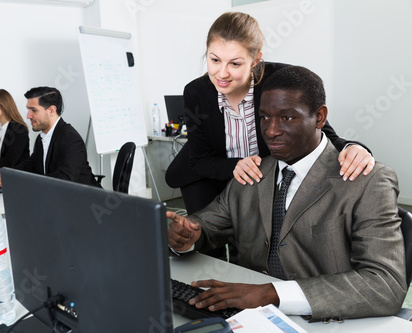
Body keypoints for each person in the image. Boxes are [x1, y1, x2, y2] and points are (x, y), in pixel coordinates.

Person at [167, 66, 407, 321]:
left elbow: (385, 284)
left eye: (286, 118)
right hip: (251, 318)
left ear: (319, 117)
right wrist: (186, 236)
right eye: (264, 117)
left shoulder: (368, 181)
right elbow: (205, 225)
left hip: (325, 320)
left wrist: (273, 294)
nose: (271, 131)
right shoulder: (252, 173)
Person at [166, 12, 375, 227]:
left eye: (235, 64)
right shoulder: (196, 92)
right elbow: (199, 159)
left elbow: (320, 131)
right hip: (208, 173)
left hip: (260, 175)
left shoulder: (280, 81)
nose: (222, 73)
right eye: (215, 60)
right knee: (204, 236)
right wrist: (235, 166)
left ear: (256, 60)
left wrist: (352, 148)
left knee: (252, 239)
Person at [0, 86, 100, 187]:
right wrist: (7, 173)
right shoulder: (42, 137)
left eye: (34, 110)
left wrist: (21, 181)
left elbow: (65, 179)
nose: (28, 116)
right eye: (28, 110)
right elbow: (31, 164)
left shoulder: (70, 139)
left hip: (84, 202)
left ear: (51, 110)